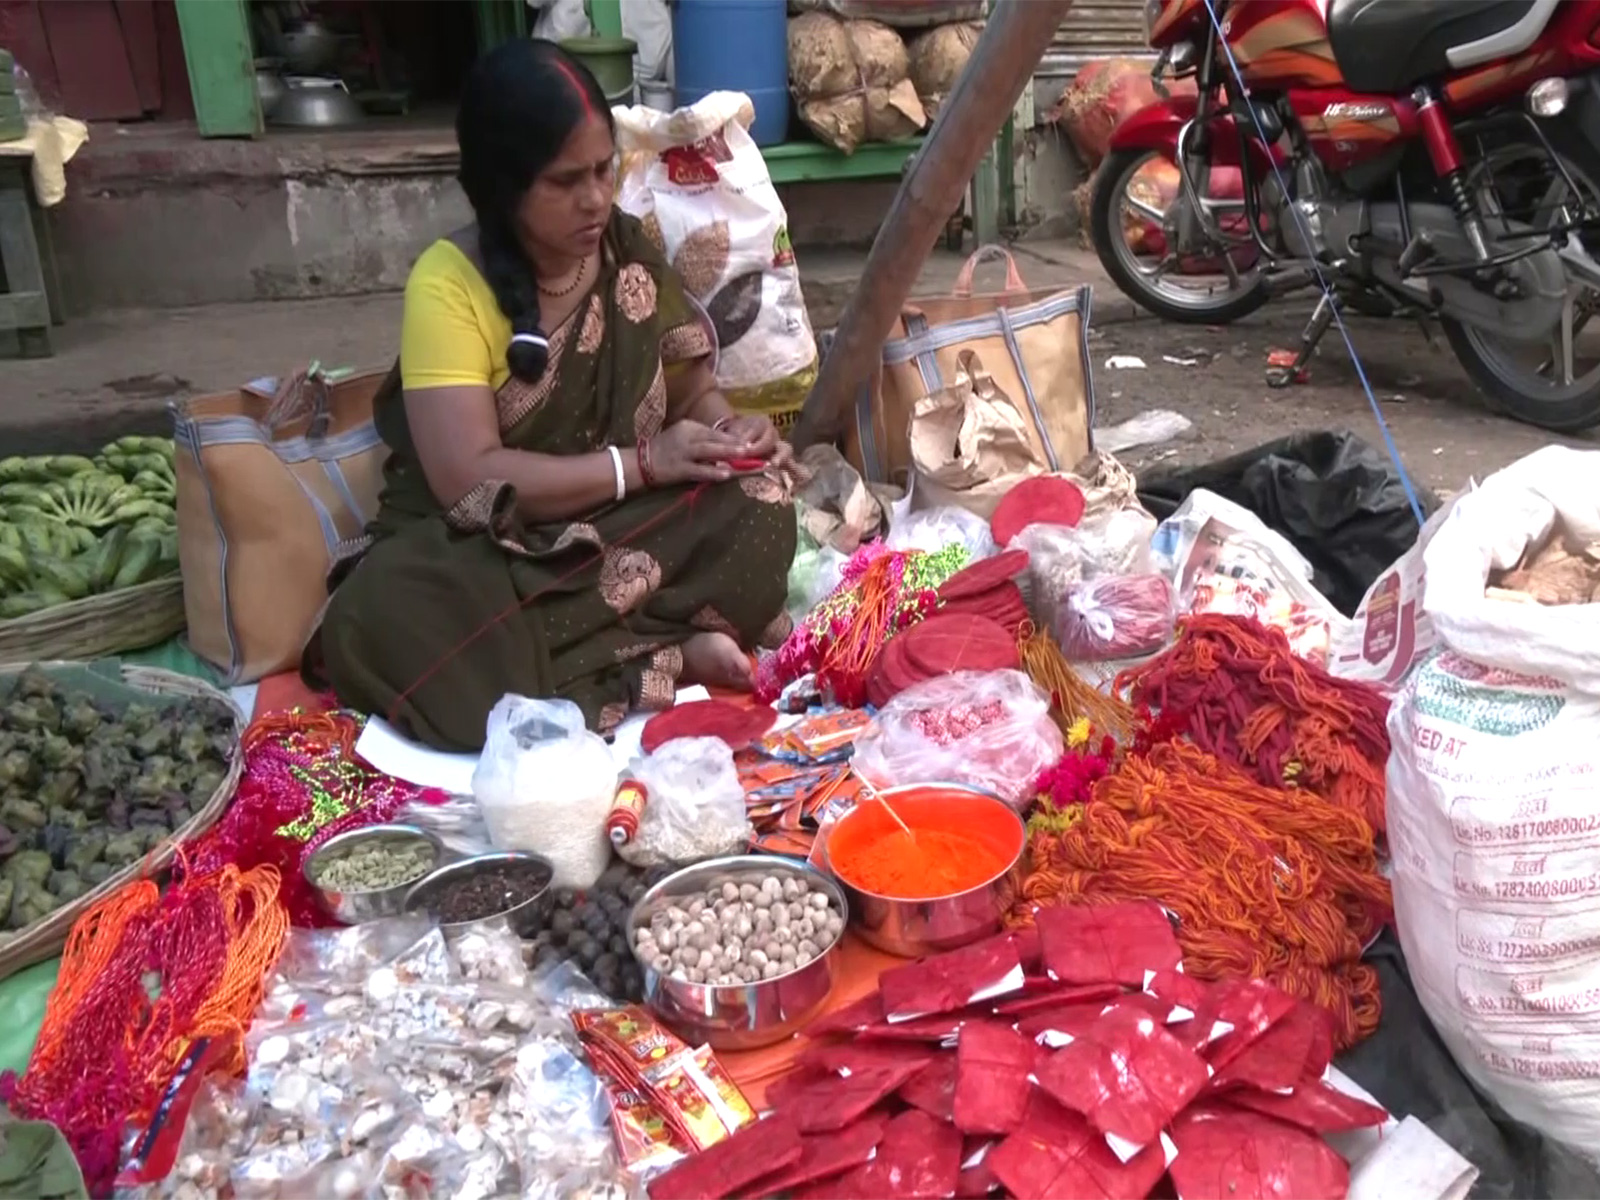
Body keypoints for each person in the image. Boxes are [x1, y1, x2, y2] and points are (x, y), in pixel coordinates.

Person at [307, 39, 799, 752]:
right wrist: (643, 464)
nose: (596, 198)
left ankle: (626, 654)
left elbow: (694, 394)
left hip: (622, 528)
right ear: (505, 186)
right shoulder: (447, 285)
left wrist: (734, 432)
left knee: (761, 506)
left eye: (603, 171)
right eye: (566, 181)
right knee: (393, 617)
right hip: (485, 551)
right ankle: (662, 654)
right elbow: (465, 481)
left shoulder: (625, 252)